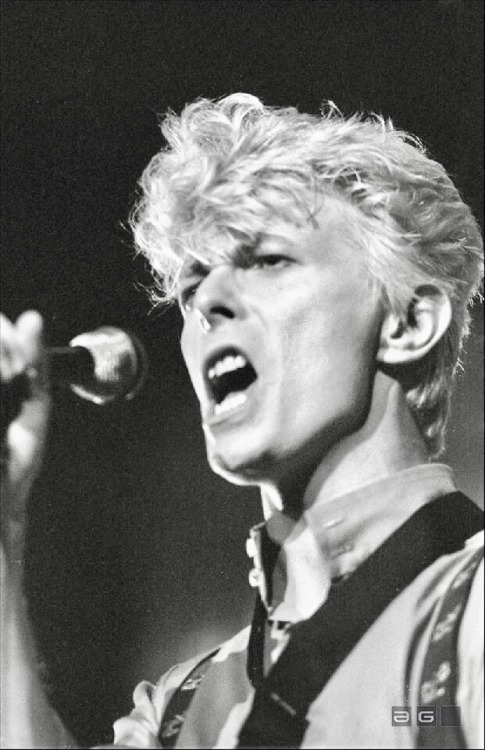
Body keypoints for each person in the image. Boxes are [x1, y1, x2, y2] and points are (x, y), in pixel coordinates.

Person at [0, 93, 483, 749]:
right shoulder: (182, 706)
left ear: (406, 324)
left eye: (267, 261)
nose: (208, 303)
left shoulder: (470, 615)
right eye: (193, 284)